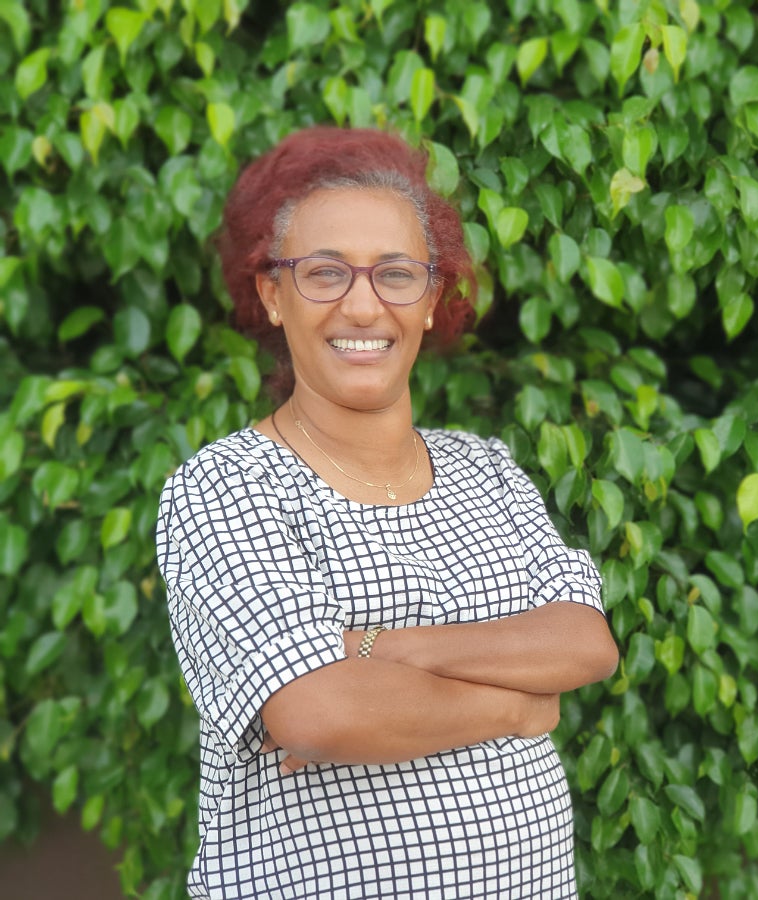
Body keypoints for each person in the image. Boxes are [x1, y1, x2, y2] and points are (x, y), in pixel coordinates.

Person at [155, 126, 619, 899]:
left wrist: (374, 646)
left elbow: (583, 640)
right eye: (325, 273)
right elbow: (320, 710)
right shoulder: (227, 487)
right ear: (272, 294)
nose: (363, 305)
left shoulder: (486, 470)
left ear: (432, 301)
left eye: (396, 274)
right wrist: (518, 706)